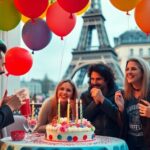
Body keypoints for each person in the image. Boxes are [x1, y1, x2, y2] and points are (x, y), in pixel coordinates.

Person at [115, 57, 150, 150]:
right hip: (129, 145)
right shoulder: (123, 94)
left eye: (133, 69)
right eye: (127, 69)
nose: (129, 72)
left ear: (143, 72)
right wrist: (121, 109)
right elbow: (122, 125)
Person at [80, 63, 121, 137]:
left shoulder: (119, 94)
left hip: (113, 139)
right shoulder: (85, 96)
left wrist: (103, 100)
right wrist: (95, 102)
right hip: (92, 139)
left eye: (98, 79)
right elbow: (83, 119)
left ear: (107, 80)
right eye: (92, 79)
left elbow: (120, 118)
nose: (94, 82)